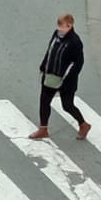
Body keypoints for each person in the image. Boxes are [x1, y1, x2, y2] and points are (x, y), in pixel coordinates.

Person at [29, 13, 89, 141]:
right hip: (50, 76)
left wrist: (65, 80)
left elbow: (77, 64)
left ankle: (83, 125)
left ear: (71, 26)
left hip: (66, 81)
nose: (61, 29)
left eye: (64, 27)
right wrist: (43, 66)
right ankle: (43, 129)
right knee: (44, 101)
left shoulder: (75, 42)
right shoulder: (56, 35)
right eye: (60, 26)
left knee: (67, 105)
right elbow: (50, 51)